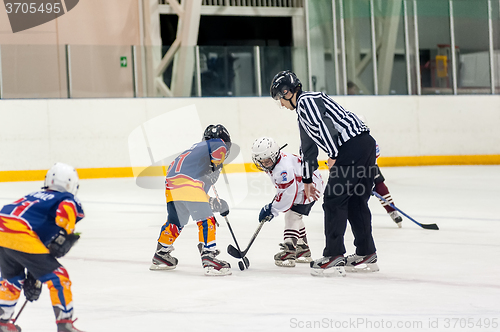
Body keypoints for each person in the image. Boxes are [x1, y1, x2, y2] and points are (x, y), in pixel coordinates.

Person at [270, 70, 379, 277]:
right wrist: (307, 179)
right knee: (356, 200)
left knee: (333, 201)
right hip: (365, 145)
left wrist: (334, 153)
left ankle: (334, 256)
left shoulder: (306, 102)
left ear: (287, 92)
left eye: (279, 99)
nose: (281, 105)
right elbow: (308, 148)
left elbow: (324, 126)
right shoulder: (303, 112)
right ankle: (366, 253)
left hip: (351, 147)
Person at [0, 162, 85, 332]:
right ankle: (65, 324)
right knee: (59, 277)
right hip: (20, 233)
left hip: (2, 230)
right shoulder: (66, 198)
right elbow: (64, 215)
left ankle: (2, 322)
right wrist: (67, 233)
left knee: (12, 279)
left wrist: (35, 275)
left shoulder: (33, 196)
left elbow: (34, 245)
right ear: (71, 185)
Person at [149, 124, 233, 276]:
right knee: (207, 219)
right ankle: (209, 256)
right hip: (188, 182)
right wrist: (215, 167)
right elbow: (216, 155)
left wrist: (213, 202)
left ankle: (161, 255)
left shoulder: (195, 151)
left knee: (176, 221)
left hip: (172, 183)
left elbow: (197, 195)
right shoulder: (218, 144)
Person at [252, 137, 324, 267]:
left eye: (267, 161)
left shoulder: (283, 169)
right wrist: (274, 205)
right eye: (261, 161)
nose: (264, 164)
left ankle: (289, 250)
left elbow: (288, 195)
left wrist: (272, 209)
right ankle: (302, 249)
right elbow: (284, 190)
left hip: (310, 187)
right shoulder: (276, 163)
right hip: (304, 184)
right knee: (295, 215)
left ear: (274, 156)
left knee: (292, 215)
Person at [356, 115, 403, 228]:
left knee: (379, 184)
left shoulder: (370, 141)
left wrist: (367, 179)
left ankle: (392, 211)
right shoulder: (347, 140)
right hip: (352, 169)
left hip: (368, 167)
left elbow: (372, 160)